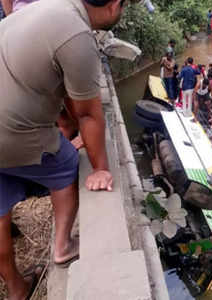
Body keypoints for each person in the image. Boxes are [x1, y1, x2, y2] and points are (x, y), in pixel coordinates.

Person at [0, 0, 125, 297]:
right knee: (67, 163)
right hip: (9, 134)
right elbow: (87, 113)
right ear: (115, 5)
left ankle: (16, 287)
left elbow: (67, 95)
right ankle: (63, 247)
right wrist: (101, 168)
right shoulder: (78, 35)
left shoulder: (46, 9)